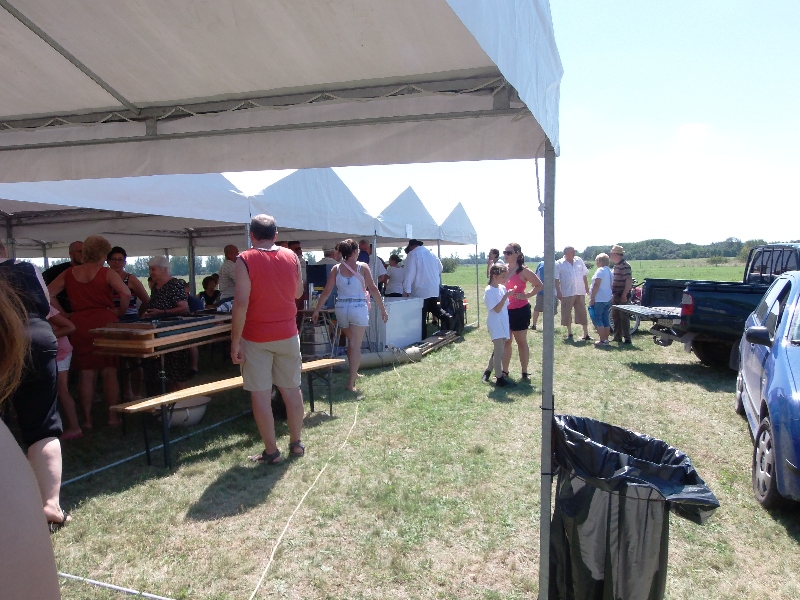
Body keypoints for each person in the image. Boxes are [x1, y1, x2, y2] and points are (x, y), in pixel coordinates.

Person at [0, 277, 62, 599]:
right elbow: (49, 305)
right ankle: (51, 504)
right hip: (37, 337)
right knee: (42, 426)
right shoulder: (28, 270)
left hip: (21, 338)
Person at [230, 214, 306, 465]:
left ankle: (271, 451)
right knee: (292, 390)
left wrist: (235, 341)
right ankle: (296, 443)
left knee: (260, 394)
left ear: (251, 235)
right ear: (276, 235)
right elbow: (298, 292)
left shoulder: (245, 259)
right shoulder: (291, 256)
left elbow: (241, 302)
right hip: (288, 333)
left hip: (256, 337)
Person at [48, 235, 131, 429]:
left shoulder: (69, 273)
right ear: (103, 253)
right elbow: (126, 293)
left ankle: (87, 420)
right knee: (109, 371)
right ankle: (112, 417)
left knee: (86, 373)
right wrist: (120, 312)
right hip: (105, 321)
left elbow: (48, 293)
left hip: (80, 323)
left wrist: (63, 314)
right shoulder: (107, 273)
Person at [313, 239, 388, 392]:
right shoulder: (363, 267)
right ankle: (350, 382)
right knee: (355, 345)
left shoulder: (336, 268)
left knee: (351, 343)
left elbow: (326, 291)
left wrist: (317, 309)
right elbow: (373, 289)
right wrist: (382, 309)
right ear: (355, 252)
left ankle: (355, 372)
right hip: (358, 307)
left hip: (341, 308)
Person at [142, 256, 191, 390]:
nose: (151, 272)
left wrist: (161, 312)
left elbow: (184, 308)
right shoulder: (155, 287)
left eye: (153, 269)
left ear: (163, 269)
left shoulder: (174, 284)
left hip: (174, 331)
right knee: (162, 370)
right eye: (150, 269)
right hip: (158, 331)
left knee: (176, 368)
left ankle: (181, 397)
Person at [500, 243, 543, 382]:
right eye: (505, 252)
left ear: (517, 254)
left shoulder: (524, 271)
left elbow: (539, 285)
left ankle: (524, 372)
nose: (506, 255)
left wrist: (527, 295)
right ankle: (504, 371)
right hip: (505, 310)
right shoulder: (503, 269)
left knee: (521, 342)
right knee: (506, 341)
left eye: (509, 252)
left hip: (520, 310)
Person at [48, 306, 83, 439]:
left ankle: (75, 427)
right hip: (48, 352)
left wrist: (46, 335)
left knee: (62, 390)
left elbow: (70, 327)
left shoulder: (47, 308)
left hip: (60, 353)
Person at [402, 239, 446, 340]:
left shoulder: (413, 254)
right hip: (434, 289)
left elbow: (410, 273)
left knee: (421, 316)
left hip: (420, 291)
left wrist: (407, 289)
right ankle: (450, 322)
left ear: (412, 246)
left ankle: (422, 337)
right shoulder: (432, 254)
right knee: (437, 310)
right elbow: (440, 268)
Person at [482, 263, 517, 387]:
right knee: (499, 351)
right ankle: (499, 378)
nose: (505, 279)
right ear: (494, 275)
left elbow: (504, 307)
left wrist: (508, 294)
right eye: (503, 276)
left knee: (499, 349)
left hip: (503, 321)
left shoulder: (502, 288)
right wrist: (506, 296)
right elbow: (496, 309)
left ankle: (488, 371)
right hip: (495, 322)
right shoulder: (489, 291)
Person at [555, 246, 591, 341]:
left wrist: (586, 287)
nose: (574, 253)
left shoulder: (579, 260)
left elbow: (584, 275)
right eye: (572, 252)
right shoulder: (559, 263)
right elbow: (556, 279)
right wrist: (558, 291)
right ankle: (569, 333)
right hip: (567, 292)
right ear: (566, 253)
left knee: (582, 312)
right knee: (567, 313)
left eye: (574, 251)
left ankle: (586, 333)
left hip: (579, 291)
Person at [107, 246, 150, 319]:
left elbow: (147, 300)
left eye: (120, 260)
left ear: (125, 263)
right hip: (109, 318)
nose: (116, 262)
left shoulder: (131, 279)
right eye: (113, 259)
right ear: (108, 261)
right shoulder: (104, 278)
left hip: (129, 319)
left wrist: (139, 315)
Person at [41, 240, 83, 313]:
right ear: (71, 254)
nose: (84, 254)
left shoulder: (90, 271)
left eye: (87, 252)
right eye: (80, 251)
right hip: (67, 312)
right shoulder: (56, 270)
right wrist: (62, 314)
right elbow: (45, 291)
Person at [610, 244, 634, 345]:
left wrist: (624, 294)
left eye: (612, 254)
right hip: (615, 294)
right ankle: (617, 337)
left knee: (624, 317)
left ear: (617, 255)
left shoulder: (625, 265)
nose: (611, 256)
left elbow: (628, 281)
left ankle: (627, 338)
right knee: (615, 317)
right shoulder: (616, 265)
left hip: (622, 295)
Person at [589, 253, 614, 347]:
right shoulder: (609, 271)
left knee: (597, 318)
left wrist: (592, 297)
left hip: (599, 298)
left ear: (600, 262)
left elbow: (596, 284)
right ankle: (606, 339)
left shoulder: (600, 271)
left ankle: (602, 340)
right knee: (605, 318)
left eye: (597, 261)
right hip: (607, 298)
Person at [531, 258, 558, 331]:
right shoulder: (541, 264)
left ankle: (548, 325)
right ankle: (534, 325)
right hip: (541, 291)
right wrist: (534, 283)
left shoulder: (556, 264)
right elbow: (536, 275)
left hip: (552, 292)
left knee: (551, 310)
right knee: (537, 308)